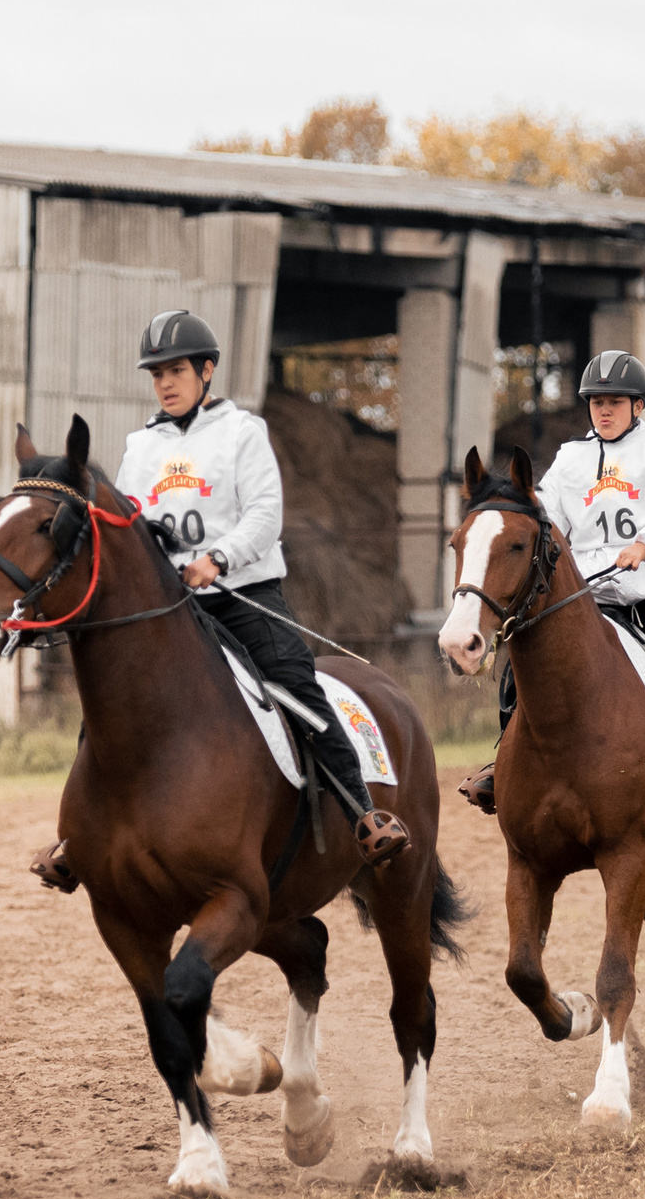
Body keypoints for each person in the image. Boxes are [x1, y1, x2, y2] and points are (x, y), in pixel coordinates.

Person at [28, 311, 410, 892]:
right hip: (172, 610)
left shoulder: (243, 432)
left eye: (176, 370)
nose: (165, 383)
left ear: (206, 371)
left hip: (243, 596)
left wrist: (218, 559)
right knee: (107, 709)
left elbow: (264, 515)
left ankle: (363, 813)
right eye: (156, 374)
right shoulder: (139, 447)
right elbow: (128, 530)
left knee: (295, 686)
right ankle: (75, 840)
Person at [457, 350, 645, 817]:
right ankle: (504, 759)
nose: (605, 411)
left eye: (615, 401)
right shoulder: (570, 460)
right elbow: (543, 517)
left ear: (638, 406)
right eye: (597, 403)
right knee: (523, 661)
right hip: (590, 592)